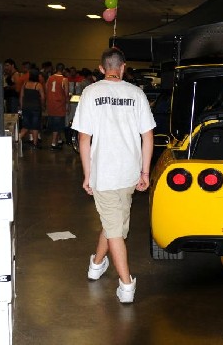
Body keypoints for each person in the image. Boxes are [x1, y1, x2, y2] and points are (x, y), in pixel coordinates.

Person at [72, 47, 155, 304]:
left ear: (100, 69)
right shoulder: (137, 93)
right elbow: (148, 136)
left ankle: (126, 284)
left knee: (115, 228)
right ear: (123, 67)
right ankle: (97, 264)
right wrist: (144, 171)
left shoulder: (90, 92)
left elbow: (83, 138)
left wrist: (87, 174)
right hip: (129, 173)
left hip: (104, 173)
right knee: (115, 224)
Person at [19, 67, 45, 148]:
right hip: (36, 108)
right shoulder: (38, 85)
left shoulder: (25, 84)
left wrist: (21, 106)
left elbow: (21, 96)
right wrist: (43, 105)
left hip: (26, 107)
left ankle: (16, 138)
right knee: (35, 126)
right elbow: (43, 97)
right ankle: (35, 143)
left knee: (25, 126)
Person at [45, 63, 69, 150]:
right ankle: (53, 143)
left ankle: (59, 140)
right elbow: (66, 93)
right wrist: (68, 104)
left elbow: (46, 88)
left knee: (54, 122)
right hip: (59, 104)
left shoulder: (50, 78)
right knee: (58, 124)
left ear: (55, 69)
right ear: (63, 70)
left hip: (51, 103)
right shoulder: (64, 79)